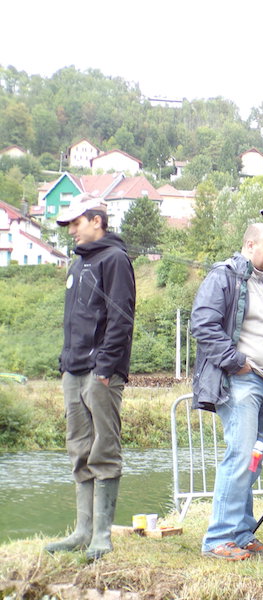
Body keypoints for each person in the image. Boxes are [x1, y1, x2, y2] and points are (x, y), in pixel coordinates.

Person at [45, 193, 136, 561]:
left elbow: (121, 320)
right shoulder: (77, 264)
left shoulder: (115, 259)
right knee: (79, 449)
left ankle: (102, 535)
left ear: (97, 220)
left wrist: (105, 367)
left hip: (101, 373)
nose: (71, 231)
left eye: (76, 223)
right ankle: (82, 532)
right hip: (73, 370)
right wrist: (65, 364)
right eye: (68, 225)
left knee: (104, 449)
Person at [191, 223, 263, 561]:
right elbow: (203, 324)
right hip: (242, 383)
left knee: (253, 461)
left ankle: (242, 533)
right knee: (241, 457)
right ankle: (217, 539)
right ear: (250, 245)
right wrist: (236, 362)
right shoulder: (223, 276)